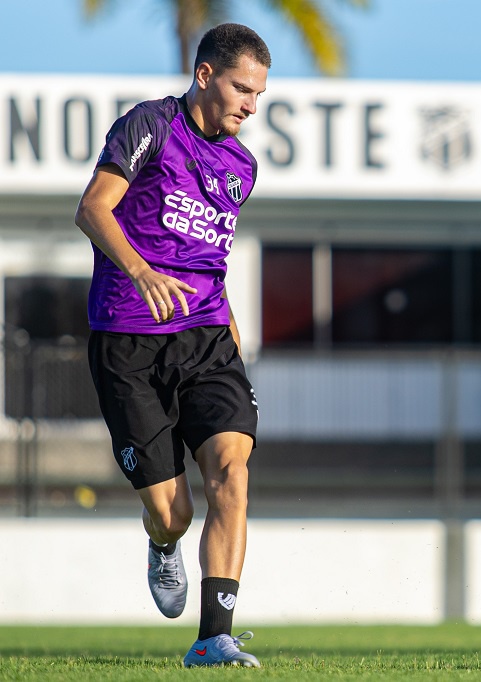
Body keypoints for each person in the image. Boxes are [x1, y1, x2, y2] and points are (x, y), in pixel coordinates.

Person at [74, 23, 270, 668]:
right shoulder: (149, 126)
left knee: (231, 473)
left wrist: (235, 345)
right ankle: (163, 544)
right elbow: (94, 208)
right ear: (206, 75)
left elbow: (212, 264)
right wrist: (140, 271)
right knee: (174, 511)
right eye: (241, 87)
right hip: (128, 340)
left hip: (208, 340)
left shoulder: (242, 166)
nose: (249, 103)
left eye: (259, 94)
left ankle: (214, 636)